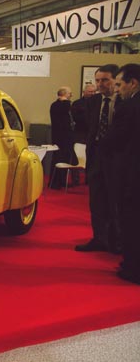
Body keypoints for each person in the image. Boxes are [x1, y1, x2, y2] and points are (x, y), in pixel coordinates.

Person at [75, 64, 121, 253]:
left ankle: (117, 242)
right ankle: (99, 238)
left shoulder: (125, 101)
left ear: (115, 80)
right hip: (96, 158)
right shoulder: (93, 102)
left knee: (116, 203)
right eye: (97, 80)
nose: (100, 84)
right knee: (96, 201)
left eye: (105, 80)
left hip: (118, 160)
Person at [102, 63, 140, 284]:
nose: (117, 89)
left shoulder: (128, 107)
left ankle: (132, 268)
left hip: (131, 175)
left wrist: (102, 146)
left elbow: (114, 139)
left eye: (119, 84)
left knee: (131, 221)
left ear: (132, 83)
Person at [48, 86, 75, 189]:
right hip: (62, 137)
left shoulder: (56, 105)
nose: (71, 95)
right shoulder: (61, 105)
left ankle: (61, 181)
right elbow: (67, 109)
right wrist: (66, 101)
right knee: (60, 159)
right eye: (69, 93)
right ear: (64, 94)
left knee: (63, 159)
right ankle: (57, 182)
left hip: (62, 136)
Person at [70, 83, 96, 185]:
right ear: (84, 92)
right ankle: (75, 179)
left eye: (94, 91)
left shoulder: (97, 102)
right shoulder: (77, 103)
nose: (93, 93)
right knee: (76, 156)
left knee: (92, 156)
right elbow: (75, 117)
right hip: (80, 133)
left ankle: (89, 179)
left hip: (92, 133)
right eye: (90, 91)